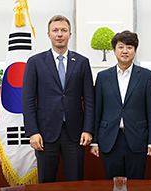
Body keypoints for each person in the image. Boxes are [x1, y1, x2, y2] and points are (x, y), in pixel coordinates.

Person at [22, 15, 94, 183]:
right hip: (44, 134)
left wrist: (88, 129)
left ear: (70, 34)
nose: (59, 34)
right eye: (55, 30)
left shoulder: (82, 62)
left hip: (75, 133)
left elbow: (89, 99)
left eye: (64, 30)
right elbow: (27, 100)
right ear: (48, 34)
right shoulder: (35, 62)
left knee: (75, 182)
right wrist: (32, 132)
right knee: (46, 182)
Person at [90, 30, 151, 179]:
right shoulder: (102, 77)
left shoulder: (146, 76)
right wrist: (94, 141)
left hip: (138, 138)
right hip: (110, 139)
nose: (125, 51)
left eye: (129, 47)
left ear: (135, 51)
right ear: (114, 51)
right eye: (121, 47)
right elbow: (97, 111)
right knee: (113, 183)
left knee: (136, 184)